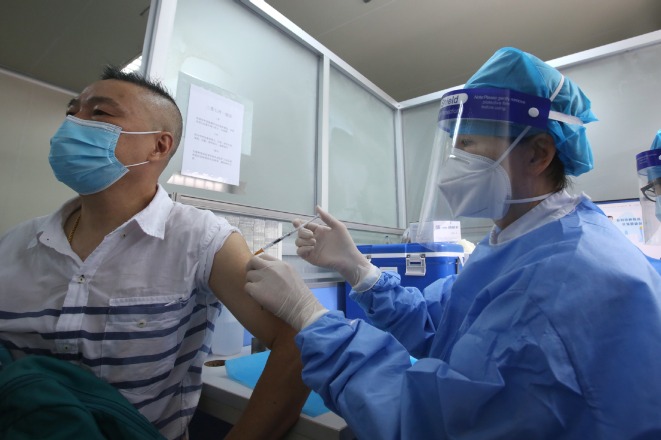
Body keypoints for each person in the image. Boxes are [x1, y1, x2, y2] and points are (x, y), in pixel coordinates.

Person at [244, 47, 661, 439]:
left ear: (537, 154)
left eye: (469, 144)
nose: (454, 162)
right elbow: (444, 328)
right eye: (455, 144)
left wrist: (309, 315)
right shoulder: (521, 239)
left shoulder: (563, 279)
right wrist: (359, 269)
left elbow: (432, 423)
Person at [0, 66, 309, 440]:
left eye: (99, 113)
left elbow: (297, 341)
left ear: (158, 145)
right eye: (71, 111)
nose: (72, 122)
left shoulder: (201, 238)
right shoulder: (14, 244)